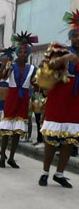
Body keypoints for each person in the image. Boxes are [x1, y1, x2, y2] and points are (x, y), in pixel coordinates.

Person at [38, 12, 79, 188]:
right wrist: (66, 58)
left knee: (69, 141)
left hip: (75, 100)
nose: (78, 39)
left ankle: (60, 173)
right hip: (59, 98)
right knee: (52, 139)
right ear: (71, 37)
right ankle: (45, 172)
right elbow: (49, 66)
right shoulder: (62, 51)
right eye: (76, 36)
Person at [0, 35, 37, 169]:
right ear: (17, 53)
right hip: (12, 98)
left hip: (23, 99)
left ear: (28, 54)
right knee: (7, 130)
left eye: (25, 52)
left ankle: (12, 157)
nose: (22, 54)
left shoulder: (32, 69)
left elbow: (35, 83)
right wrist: (4, 66)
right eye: (20, 52)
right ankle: (2, 155)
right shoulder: (11, 65)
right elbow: (1, 77)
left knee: (17, 131)